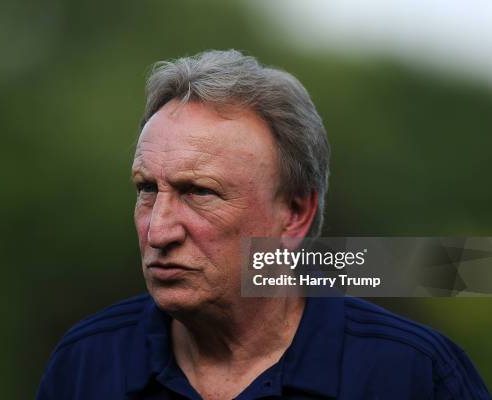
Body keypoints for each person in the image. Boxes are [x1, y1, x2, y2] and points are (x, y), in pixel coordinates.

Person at [36, 50, 490, 399]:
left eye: (200, 192)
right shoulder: (86, 363)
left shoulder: (414, 374)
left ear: (295, 214)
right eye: (147, 189)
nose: (158, 231)